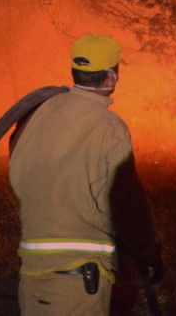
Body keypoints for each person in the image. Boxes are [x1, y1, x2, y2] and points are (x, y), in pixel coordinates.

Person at [9, 34, 163, 315]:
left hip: (31, 271)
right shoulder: (109, 127)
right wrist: (147, 250)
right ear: (110, 77)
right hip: (80, 278)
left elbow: (19, 171)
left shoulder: (37, 115)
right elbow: (126, 199)